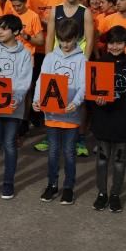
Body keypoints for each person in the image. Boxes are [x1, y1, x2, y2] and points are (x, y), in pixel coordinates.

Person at [88, 26, 126, 213]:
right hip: (104, 121)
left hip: (124, 122)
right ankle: (102, 193)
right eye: (111, 43)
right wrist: (96, 103)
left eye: (119, 43)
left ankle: (115, 194)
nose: (114, 46)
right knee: (103, 160)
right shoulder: (100, 63)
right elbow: (90, 96)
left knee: (120, 161)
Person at [32, 18, 86, 205]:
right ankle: (52, 184)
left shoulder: (81, 59)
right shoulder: (50, 57)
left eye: (69, 40)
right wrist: (36, 100)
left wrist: (77, 102)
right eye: (62, 40)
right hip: (52, 114)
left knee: (69, 153)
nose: (65, 44)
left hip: (70, 114)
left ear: (76, 38)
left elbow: (83, 85)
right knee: (53, 152)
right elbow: (41, 80)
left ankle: (69, 187)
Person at [0, 14, 33, 200]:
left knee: (10, 144)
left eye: (4, 28)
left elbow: (24, 80)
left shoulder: (25, 54)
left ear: (16, 32)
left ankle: (8, 183)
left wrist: (16, 100)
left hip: (13, 108)